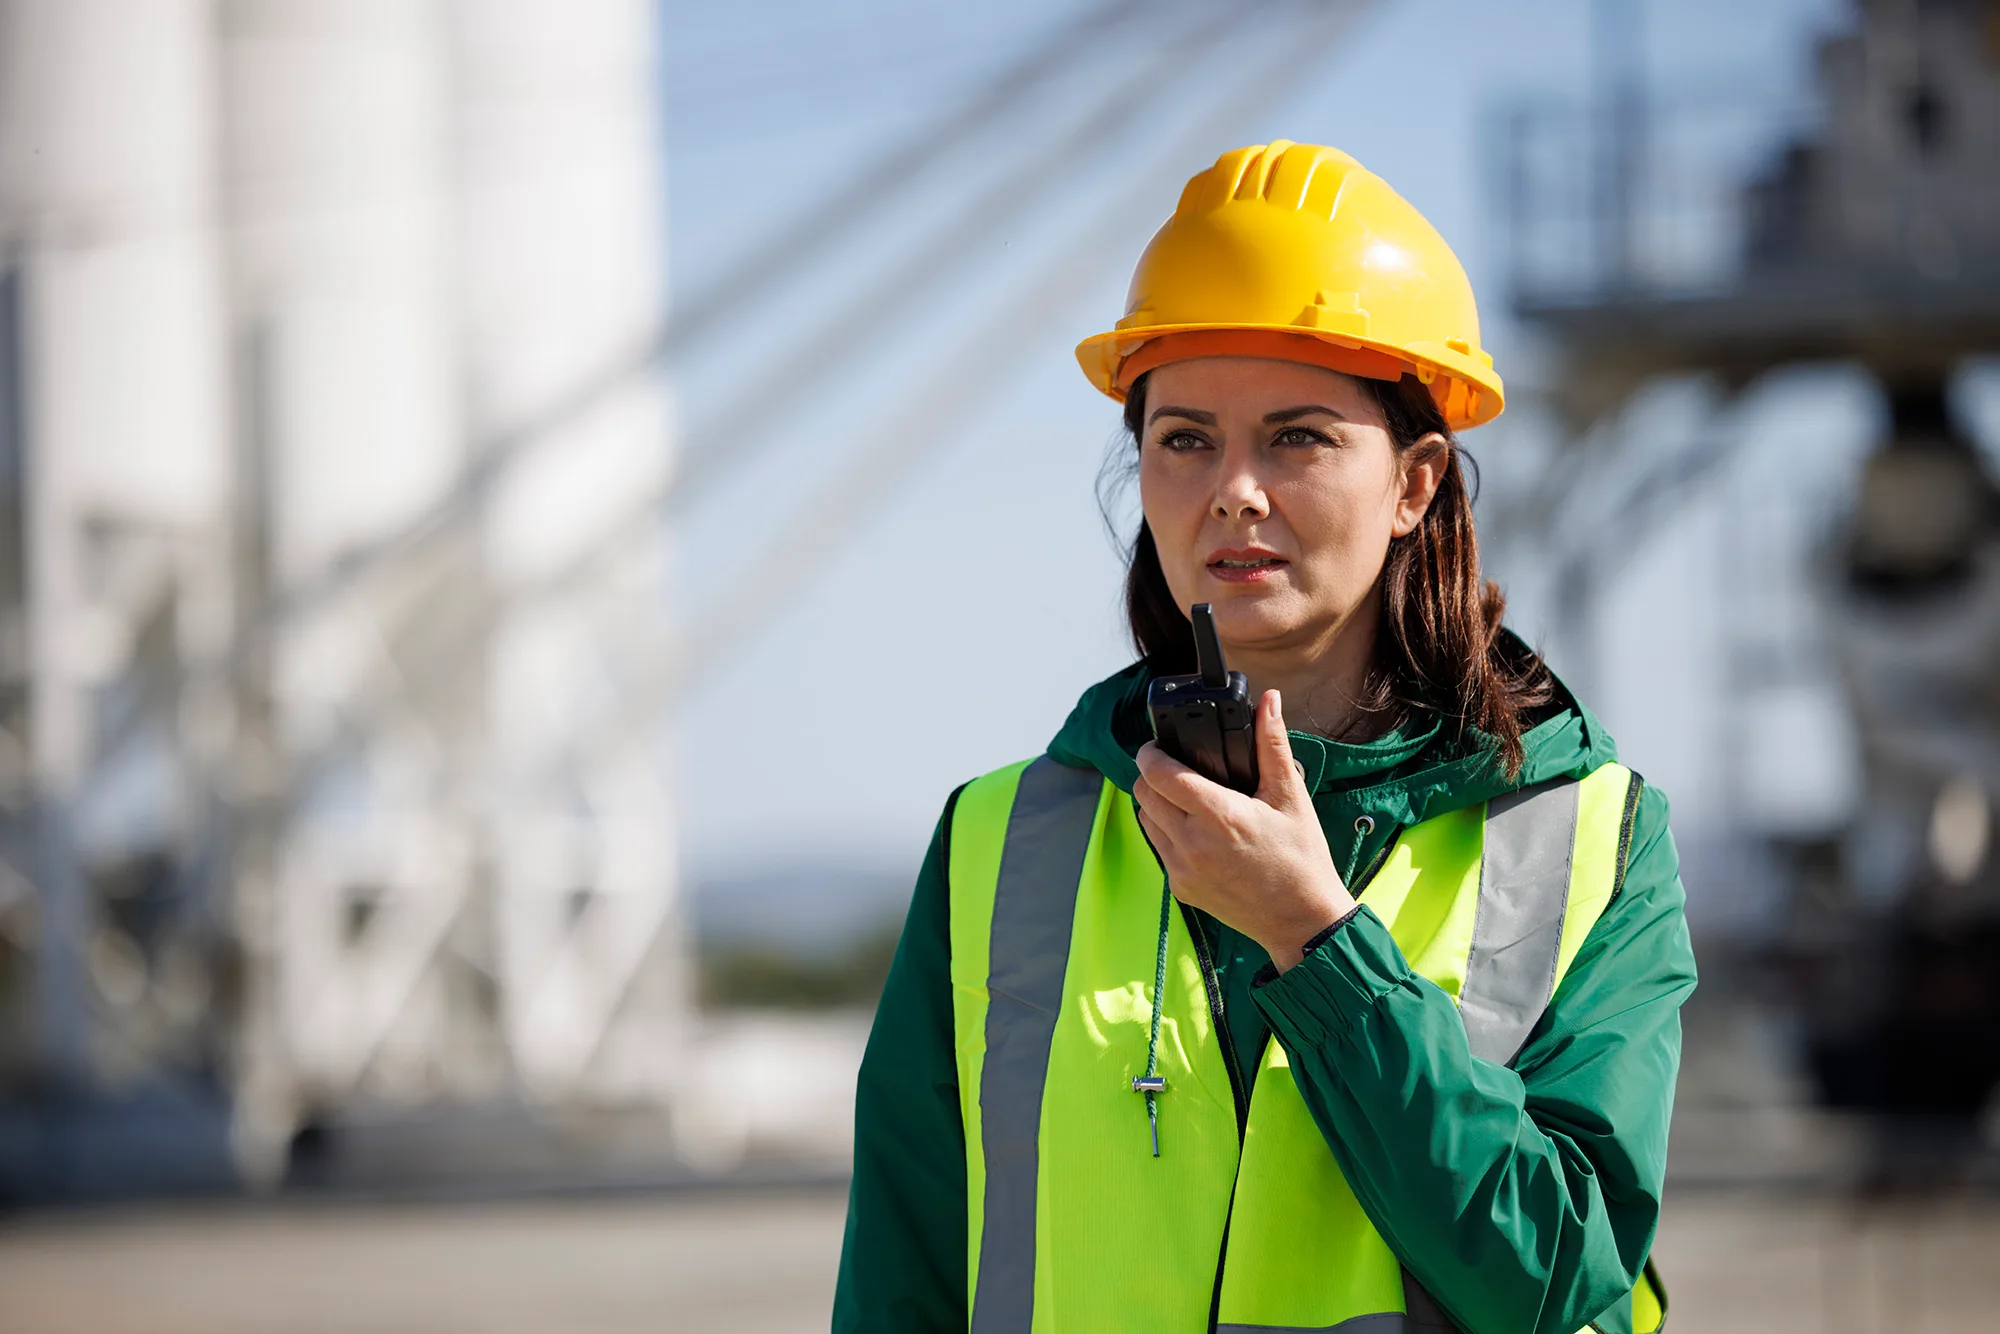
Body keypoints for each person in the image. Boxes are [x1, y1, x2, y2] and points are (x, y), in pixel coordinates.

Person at [831, 141, 1693, 1334]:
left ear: (1415, 484)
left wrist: (1315, 941)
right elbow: (901, 1277)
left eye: (1296, 436)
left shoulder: (1593, 837)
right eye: (1183, 437)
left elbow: (1553, 1281)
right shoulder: (997, 839)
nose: (1231, 488)